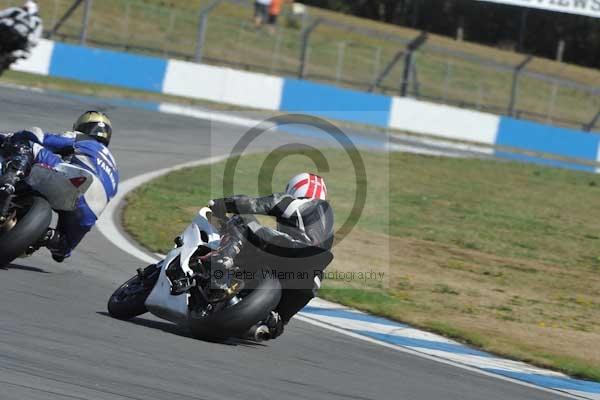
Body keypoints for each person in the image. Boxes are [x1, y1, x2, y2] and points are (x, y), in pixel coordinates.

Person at [193, 173, 334, 340]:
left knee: (242, 220)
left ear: (295, 189)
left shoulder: (298, 203)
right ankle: (272, 321)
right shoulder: (328, 223)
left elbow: (251, 204)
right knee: (278, 321)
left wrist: (219, 204)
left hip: (290, 249)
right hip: (312, 277)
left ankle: (220, 263)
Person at [0, 111, 119, 262]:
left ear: (82, 126)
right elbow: (58, 257)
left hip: (75, 178)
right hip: (92, 207)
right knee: (62, 249)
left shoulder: (82, 138)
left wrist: (9, 138)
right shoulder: (114, 168)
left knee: (27, 143)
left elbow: (42, 138)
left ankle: (8, 183)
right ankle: (45, 236)